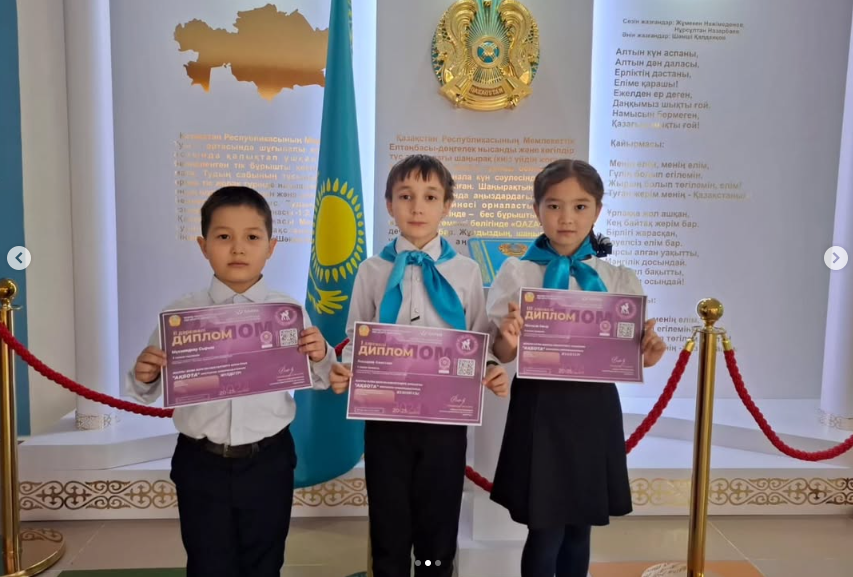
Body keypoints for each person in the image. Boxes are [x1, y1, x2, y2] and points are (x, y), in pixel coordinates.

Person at [126, 185, 336, 577]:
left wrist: (321, 353)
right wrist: (144, 375)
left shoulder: (288, 311)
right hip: (200, 463)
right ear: (203, 246)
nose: (238, 249)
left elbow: (321, 379)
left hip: (269, 460)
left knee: (265, 563)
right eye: (224, 237)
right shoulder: (180, 315)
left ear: (270, 247)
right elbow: (150, 387)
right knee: (207, 564)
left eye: (252, 237)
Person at [329, 154, 509, 577]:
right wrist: (346, 369)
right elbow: (357, 335)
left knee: (437, 529)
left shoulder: (465, 271)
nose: (417, 207)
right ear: (389, 204)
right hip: (385, 422)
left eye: (430, 197)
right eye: (405, 196)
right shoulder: (372, 270)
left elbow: (478, 338)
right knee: (389, 526)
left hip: (445, 423)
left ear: (447, 206)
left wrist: (490, 367)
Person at [486, 159, 667, 577]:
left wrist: (649, 353)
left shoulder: (616, 278)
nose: (566, 218)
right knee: (544, 528)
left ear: (597, 210)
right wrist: (508, 339)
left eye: (580, 206)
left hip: (593, 409)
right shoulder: (518, 272)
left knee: (580, 528)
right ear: (536, 210)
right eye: (554, 205)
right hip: (539, 409)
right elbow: (503, 352)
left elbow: (631, 353)